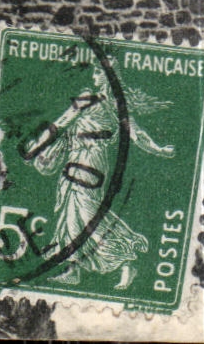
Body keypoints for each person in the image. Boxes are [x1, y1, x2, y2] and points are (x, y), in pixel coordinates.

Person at [24, 61, 172, 288]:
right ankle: (72, 268)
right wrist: (158, 148)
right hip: (80, 161)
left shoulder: (100, 102)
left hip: (88, 162)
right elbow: (60, 125)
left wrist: (158, 149)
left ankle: (126, 258)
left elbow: (61, 124)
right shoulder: (112, 106)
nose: (94, 75)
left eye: (98, 71)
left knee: (86, 214)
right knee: (69, 214)